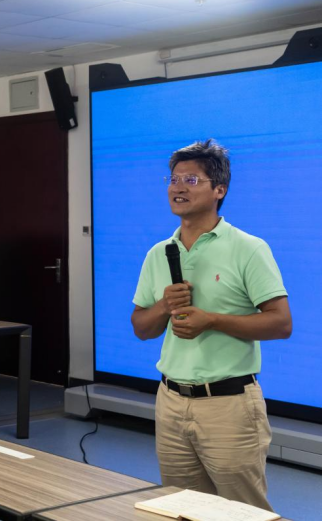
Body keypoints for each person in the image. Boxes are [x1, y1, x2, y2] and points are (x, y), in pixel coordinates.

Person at [131, 139, 292, 511]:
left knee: (243, 513)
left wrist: (212, 321)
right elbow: (141, 327)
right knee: (181, 508)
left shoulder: (248, 248)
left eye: (191, 180)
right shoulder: (158, 253)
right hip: (170, 401)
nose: (178, 187)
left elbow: (281, 323)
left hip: (229, 405)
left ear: (219, 190)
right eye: (173, 179)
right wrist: (163, 306)